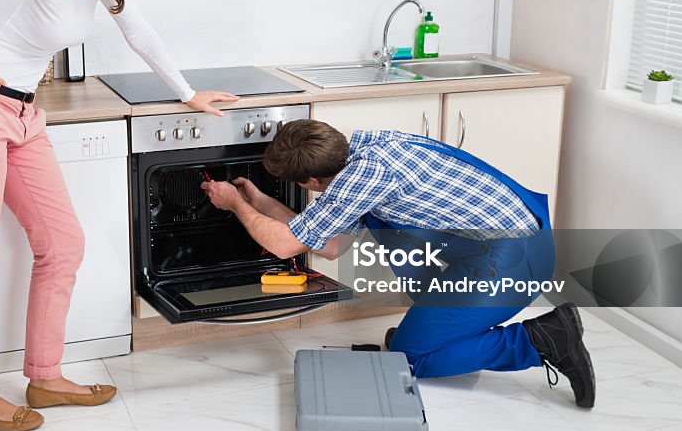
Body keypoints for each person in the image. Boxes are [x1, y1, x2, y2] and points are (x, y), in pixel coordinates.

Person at [0, 0, 239, 431]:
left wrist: (187, 94)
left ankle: (44, 375)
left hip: (21, 112)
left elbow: (140, 33)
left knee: (63, 242)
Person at [200, 120, 595, 408]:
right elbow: (331, 243)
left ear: (313, 182)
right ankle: (440, 330)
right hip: (495, 249)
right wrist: (257, 201)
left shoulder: (360, 181)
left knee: (411, 359)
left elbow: (286, 246)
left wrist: (235, 205)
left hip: (512, 262)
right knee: (415, 332)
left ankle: (541, 339)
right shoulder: (365, 155)